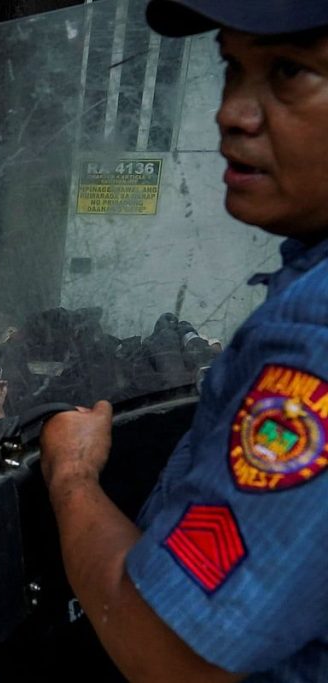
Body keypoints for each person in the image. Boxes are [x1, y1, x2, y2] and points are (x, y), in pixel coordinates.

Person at [39, 1, 328, 680]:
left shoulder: (315, 340)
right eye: (232, 67)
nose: (231, 112)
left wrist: (71, 475)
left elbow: (170, 653)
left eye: (289, 71)